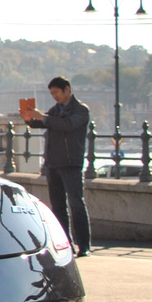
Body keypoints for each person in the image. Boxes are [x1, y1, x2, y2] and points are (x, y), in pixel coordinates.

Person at [24, 76, 92, 257]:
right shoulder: (55, 110)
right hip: (53, 163)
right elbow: (43, 122)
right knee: (58, 206)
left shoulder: (81, 110)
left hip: (71, 163)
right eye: (52, 93)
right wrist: (30, 119)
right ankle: (65, 243)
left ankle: (83, 244)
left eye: (56, 92)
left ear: (67, 89)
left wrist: (43, 117)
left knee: (76, 204)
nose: (54, 96)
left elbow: (67, 125)